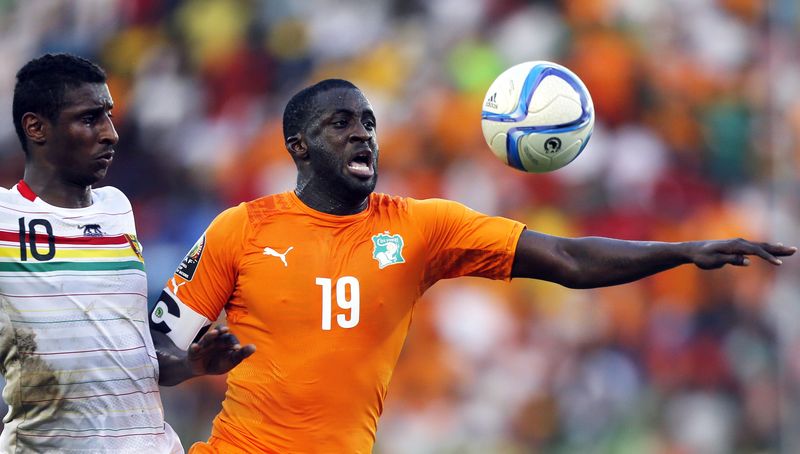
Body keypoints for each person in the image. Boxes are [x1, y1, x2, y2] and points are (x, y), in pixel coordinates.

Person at [148, 79, 796, 453]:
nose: (363, 135)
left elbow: (566, 258)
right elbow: (154, 357)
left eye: (369, 123)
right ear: (297, 145)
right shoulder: (242, 228)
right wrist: (197, 364)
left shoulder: (422, 226)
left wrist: (680, 251)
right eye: (340, 123)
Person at [0, 53, 253, 454]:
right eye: (89, 118)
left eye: (109, 116)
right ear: (36, 127)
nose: (111, 134)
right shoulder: (5, 216)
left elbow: (132, 358)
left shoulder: (117, 208)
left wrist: (191, 364)